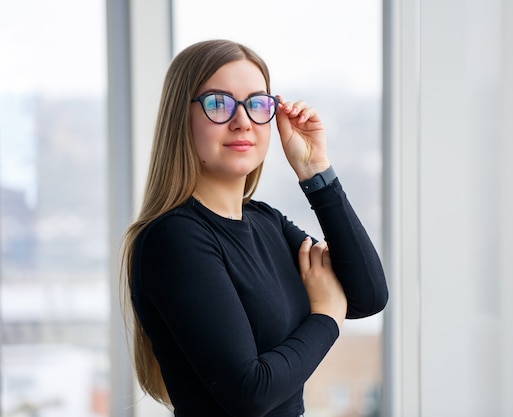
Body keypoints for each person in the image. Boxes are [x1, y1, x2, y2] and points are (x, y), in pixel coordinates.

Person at [121, 39, 388, 417]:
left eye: (257, 104)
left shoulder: (267, 222)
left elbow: (368, 296)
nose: (242, 120)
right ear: (181, 118)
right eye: (218, 103)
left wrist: (315, 171)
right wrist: (326, 317)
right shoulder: (173, 239)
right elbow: (250, 393)